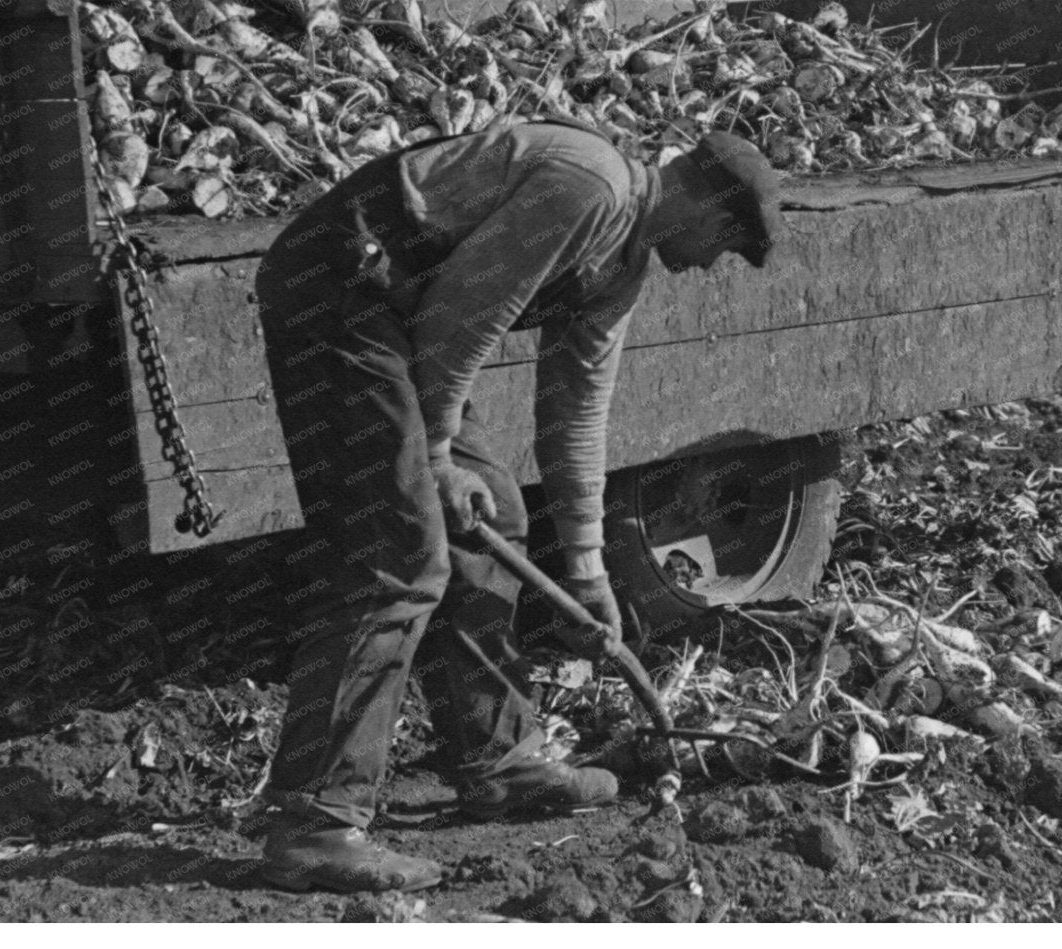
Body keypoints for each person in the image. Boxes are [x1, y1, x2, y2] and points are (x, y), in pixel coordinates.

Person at [253, 117, 783, 893]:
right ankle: (313, 821)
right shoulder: (591, 187)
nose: (710, 266)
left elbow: (574, 412)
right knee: (400, 550)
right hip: (338, 290)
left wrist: (588, 567)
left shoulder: (623, 261)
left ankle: (496, 759)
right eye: (726, 245)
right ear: (706, 206)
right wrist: (433, 456)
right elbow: (462, 317)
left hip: (400, 322)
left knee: (496, 511)